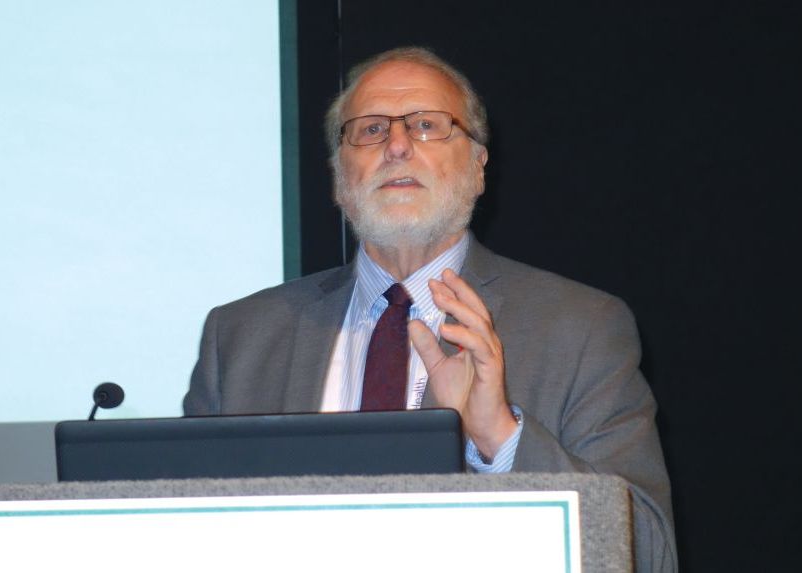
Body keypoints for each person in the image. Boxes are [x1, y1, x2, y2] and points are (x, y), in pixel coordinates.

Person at [184, 46, 676, 571]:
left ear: (478, 166)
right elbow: (179, 535)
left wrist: (501, 437)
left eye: (426, 126)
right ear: (338, 177)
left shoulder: (580, 328)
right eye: (371, 130)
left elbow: (648, 553)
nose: (397, 146)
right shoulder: (240, 337)